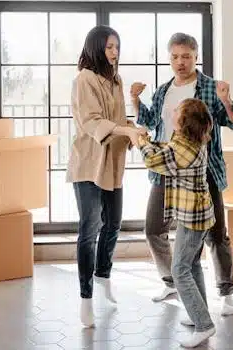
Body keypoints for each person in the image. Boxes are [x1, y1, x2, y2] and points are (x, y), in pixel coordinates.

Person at [131, 32, 233, 316]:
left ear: (196, 57)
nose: (180, 62)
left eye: (186, 56)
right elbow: (148, 120)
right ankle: (173, 281)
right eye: (174, 57)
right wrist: (134, 99)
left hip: (203, 173)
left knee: (216, 234)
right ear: (169, 58)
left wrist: (227, 101)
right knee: (153, 228)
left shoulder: (210, 89)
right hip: (168, 170)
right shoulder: (164, 90)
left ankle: (225, 291)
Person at [68, 25, 144, 328]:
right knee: (89, 229)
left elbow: (116, 120)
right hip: (88, 164)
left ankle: (103, 278)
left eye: (117, 47)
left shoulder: (116, 80)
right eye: (109, 47)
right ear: (96, 48)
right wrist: (125, 130)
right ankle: (85, 298)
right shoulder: (83, 79)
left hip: (112, 163)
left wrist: (134, 128)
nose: (114, 52)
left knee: (113, 224)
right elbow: (91, 121)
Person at [137, 98, 217, 348]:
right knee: (191, 265)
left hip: (194, 218)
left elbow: (154, 161)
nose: (172, 112)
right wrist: (148, 139)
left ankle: (204, 325)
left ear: (184, 122)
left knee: (179, 270)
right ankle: (199, 316)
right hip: (195, 214)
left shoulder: (185, 149)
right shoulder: (190, 140)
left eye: (177, 111)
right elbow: (167, 147)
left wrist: (140, 142)